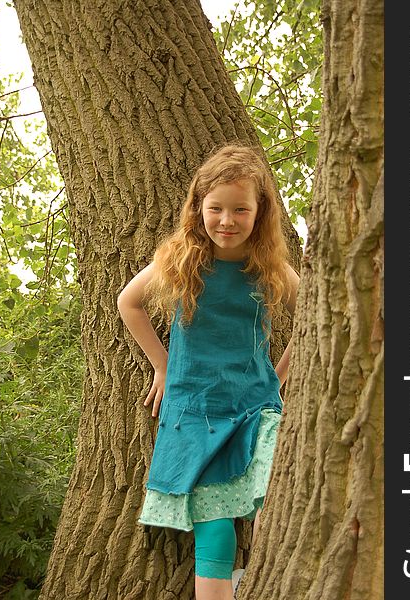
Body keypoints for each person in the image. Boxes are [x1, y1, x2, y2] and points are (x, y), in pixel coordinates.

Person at [117, 143, 300, 600]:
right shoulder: (181, 262)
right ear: (198, 207)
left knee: (276, 507)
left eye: (241, 209)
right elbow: (129, 303)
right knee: (215, 528)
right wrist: (162, 365)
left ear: (260, 213)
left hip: (256, 408)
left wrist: (278, 375)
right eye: (215, 208)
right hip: (196, 411)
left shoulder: (270, 268)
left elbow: (317, 317)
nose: (227, 220)